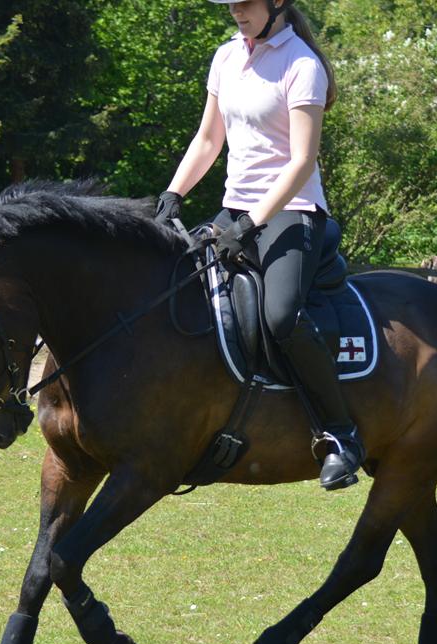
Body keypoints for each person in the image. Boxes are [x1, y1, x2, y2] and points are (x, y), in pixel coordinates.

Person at [155, 0, 364, 490]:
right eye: (230, 4)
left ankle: (341, 435)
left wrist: (252, 222)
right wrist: (173, 193)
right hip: (234, 209)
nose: (235, 11)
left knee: (280, 316)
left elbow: (301, 161)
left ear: (276, 4)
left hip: (293, 210)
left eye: (244, 3)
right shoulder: (226, 57)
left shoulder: (302, 65)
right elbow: (209, 139)